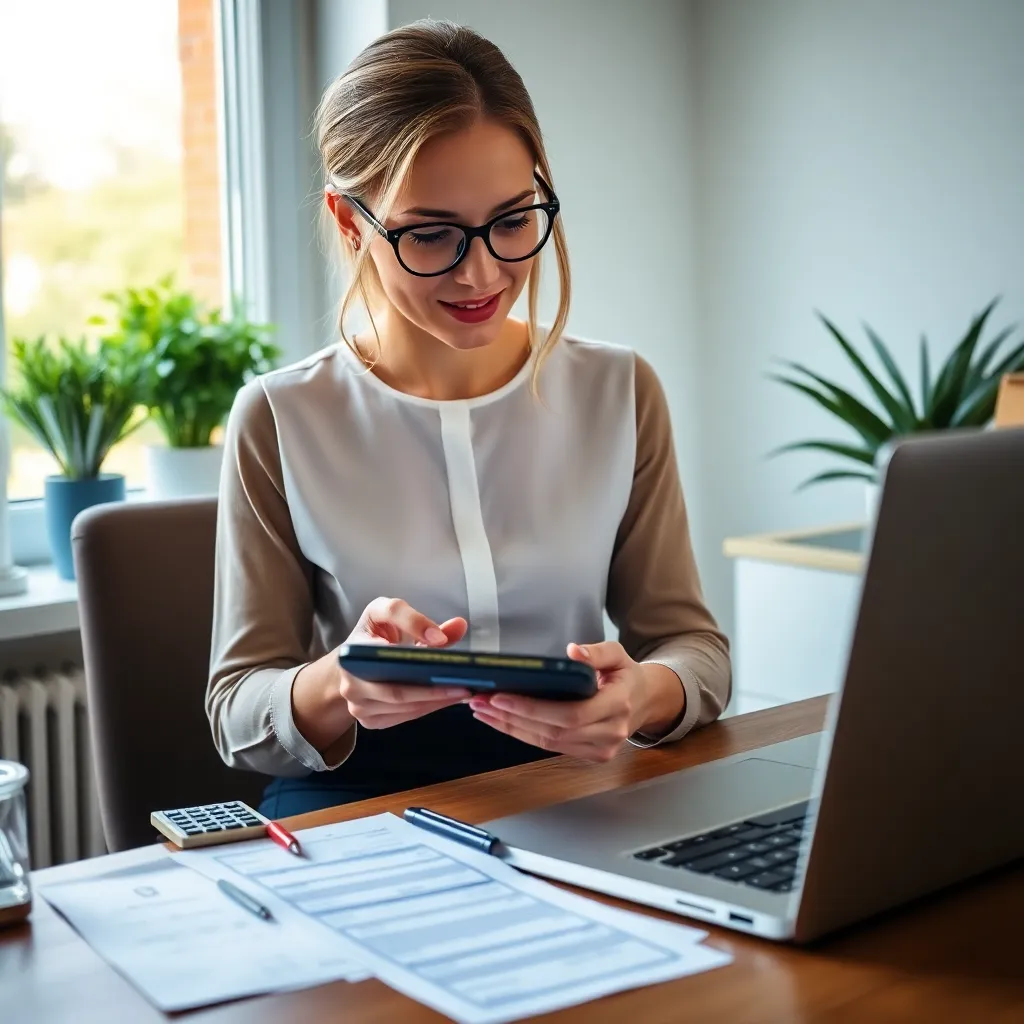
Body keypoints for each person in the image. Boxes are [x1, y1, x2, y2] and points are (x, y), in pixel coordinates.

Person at [206, 20, 731, 818]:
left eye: (514, 220)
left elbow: (696, 652)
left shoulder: (619, 390)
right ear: (351, 223)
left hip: (577, 794)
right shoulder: (280, 416)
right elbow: (238, 712)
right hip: (355, 810)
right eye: (431, 234)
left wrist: (641, 698)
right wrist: (341, 680)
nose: (483, 271)